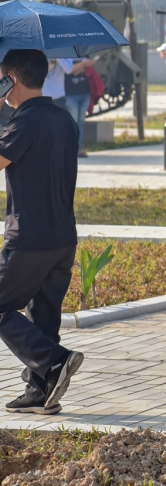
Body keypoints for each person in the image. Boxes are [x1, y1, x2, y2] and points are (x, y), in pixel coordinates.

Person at [0, 49, 85, 415]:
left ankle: (52, 361)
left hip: (30, 237)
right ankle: (41, 392)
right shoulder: (64, 118)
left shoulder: (25, 121)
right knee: (44, 315)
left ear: (12, 79)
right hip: (63, 236)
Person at [62, 58, 94, 158]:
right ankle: (69, 149)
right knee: (73, 122)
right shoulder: (66, 55)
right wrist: (83, 64)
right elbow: (69, 70)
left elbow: (90, 64)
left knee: (80, 122)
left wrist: (79, 67)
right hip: (70, 94)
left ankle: (78, 148)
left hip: (85, 92)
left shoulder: (84, 51)